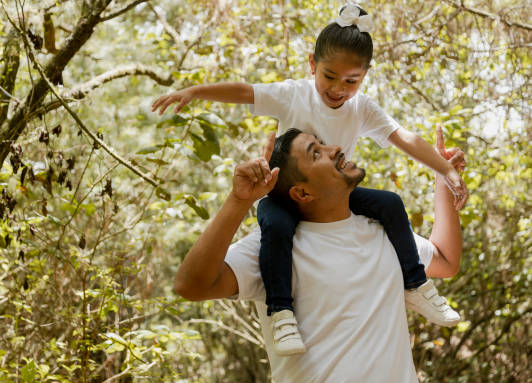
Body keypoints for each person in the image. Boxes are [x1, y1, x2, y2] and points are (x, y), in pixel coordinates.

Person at [156, 4, 468, 355]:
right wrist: (195, 93)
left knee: (390, 203)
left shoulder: (361, 109)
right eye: (329, 76)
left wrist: (445, 170)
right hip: (285, 194)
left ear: (364, 76)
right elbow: (245, 91)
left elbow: (404, 137)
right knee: (275, 226)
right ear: (312, 65)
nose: (338, 88)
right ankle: (281, 310)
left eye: (351, 81)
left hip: (336, 196)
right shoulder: (294, 94)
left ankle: (416, 284)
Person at [174, 128, 465, 383]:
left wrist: (443, 178)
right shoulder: (272, 248)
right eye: (316, 153)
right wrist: (238, 201)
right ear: (301, 193)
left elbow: (446, 260)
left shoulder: (384, 231)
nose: (335, 148)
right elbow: (192, 285)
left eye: (323, 143)